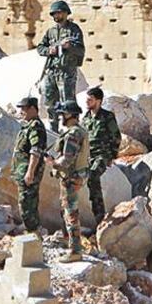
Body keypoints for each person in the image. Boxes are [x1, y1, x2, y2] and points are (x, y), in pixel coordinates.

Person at [49, 100, 89, 262]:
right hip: (74, 177)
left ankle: (75, 250)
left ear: (71, 115)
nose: (61, 118)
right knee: (67, 210)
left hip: (70, 178)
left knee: (70, 213)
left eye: (63, 115)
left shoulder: (73, 134)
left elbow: (67, 160)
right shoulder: (78, 131)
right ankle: (69, 242)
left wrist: (52, 163)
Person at [36, 0, 85, 133]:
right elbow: (40, 48)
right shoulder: (50, 32)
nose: (56, 16)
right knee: (50, 103)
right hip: (51, 71)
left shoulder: (74, 30)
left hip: (66, 72)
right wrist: (49, 50)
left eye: (59, 13)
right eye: (54, 13)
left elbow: (81, 50)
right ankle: (53, 131)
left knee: (68, 104)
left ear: (65, 13)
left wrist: (69, 47)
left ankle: (72, 131)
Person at [80, 86, 120, 225]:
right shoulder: (85, 118)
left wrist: (112, 157)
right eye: (87, 99)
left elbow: (116, 137)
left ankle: (100, 216)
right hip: (87, 156)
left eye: (90, 100)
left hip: (102, 155)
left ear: (98, 101)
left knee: (93, 176)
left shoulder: (107, 117)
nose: (87, 102)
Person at [11, 96, 47, 233]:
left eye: (24, 109)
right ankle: (31, 228)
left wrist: (30, 172)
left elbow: (36, 151)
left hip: (28, 172)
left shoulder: (36, 127)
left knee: (27, 203)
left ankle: (33, 231)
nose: (21, 112)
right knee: (27, 202)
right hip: (22, 171)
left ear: (33, 109)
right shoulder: (28, 125)